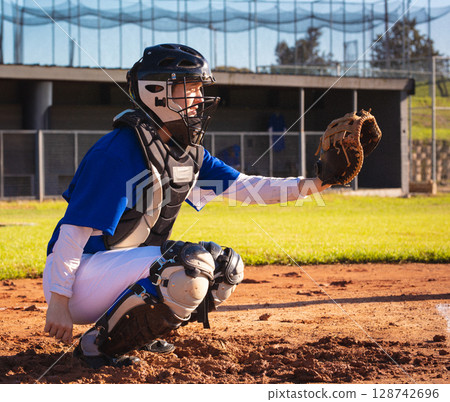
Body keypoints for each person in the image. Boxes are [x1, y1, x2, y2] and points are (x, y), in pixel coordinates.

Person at [43, 43, 330, 369]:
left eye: (198, 88)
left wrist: (318, 183)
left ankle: (134, 333)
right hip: (78, 277)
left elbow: (249, 187)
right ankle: (97, 345)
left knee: (225, 268)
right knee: (188, 266)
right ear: (157, 93)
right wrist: (60, 303)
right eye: (190, 88)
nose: (198, 99)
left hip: (115, 273)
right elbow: (73, 233)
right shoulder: (118, 151)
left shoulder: (185, 153)